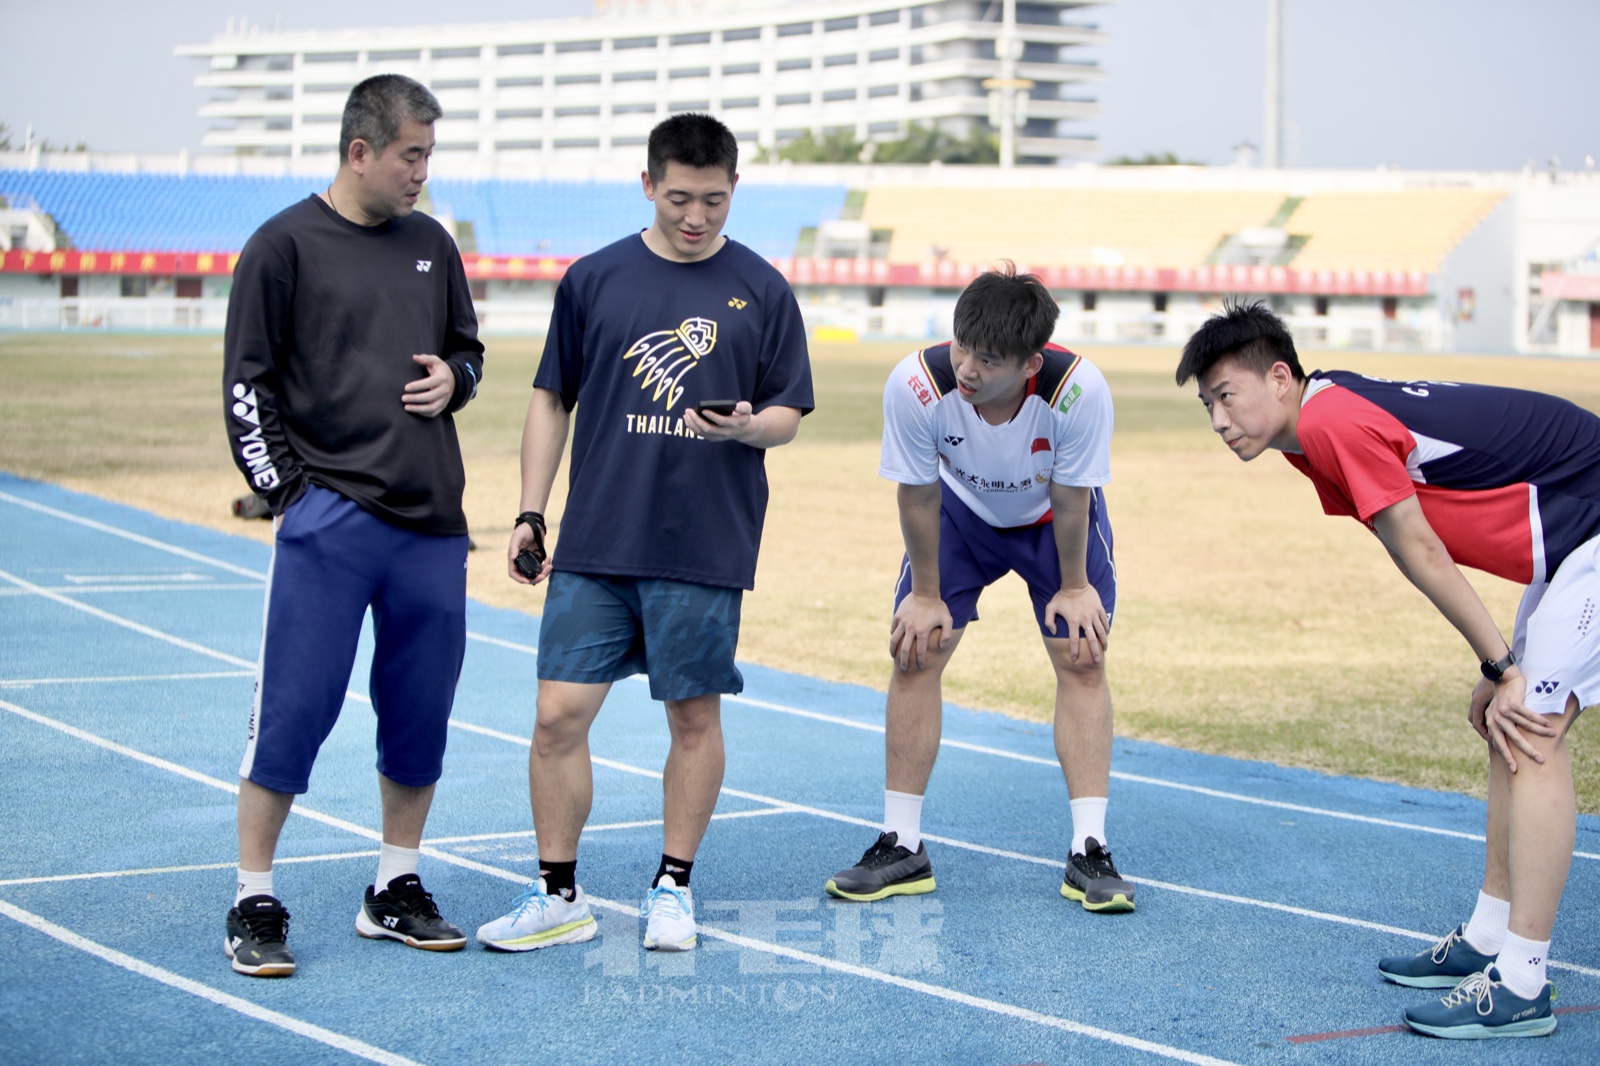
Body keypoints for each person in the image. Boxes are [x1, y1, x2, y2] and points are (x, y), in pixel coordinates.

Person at [1177, 300, 1597, 1039]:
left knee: (1531, 726)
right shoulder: (1319, 423)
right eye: (1207, 404)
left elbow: (1421, 549)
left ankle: (1524, 979)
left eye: (1225, 395)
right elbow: (1421, 542)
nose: (1218, 418)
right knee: (1507, 726)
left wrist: (1502, 664)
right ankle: (1489, 937)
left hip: (1591, 521)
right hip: (1573, 537)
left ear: (1280, 377)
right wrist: (1497, 664)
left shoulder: (1332, 421)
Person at [474, 113, 812, 955]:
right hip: (596, 537)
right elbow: (552, 397)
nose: (695, 218)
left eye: (713, 201)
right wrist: (529, 509)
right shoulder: (594, 279)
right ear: (647, 185)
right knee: (558, 714)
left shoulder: (763, 289)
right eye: (678, 199)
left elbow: (788, 414)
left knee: (693, 718)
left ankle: (673, 886)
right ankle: (558, 894)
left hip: (703, 544)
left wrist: (746, 428)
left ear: (735, 191)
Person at [221, 74, 483, 977]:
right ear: (360, 150)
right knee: (293, 710)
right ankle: (254, 896)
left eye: (429, 155)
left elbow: (468, 351)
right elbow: (246, 386)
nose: (423, 172)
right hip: (329, 519)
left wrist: (457, 380)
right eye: (412, 154)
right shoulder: (281, 245)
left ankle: (394, 886)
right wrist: (289, 494)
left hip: (432, 526)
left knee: (420, 714)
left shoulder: (432, 244)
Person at [824, 265, 1136, 913]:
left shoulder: (1079, 392)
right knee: (917, 648)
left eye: (988, 360)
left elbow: (1075, 498)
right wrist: (928, 594)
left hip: (1052, 522)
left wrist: (1075, 587)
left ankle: (1090, 849)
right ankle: (900, 842)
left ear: (1030, 364)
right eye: (961, 345)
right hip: (959, 514)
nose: (966, 367)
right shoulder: (915, 384)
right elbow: (917, 492)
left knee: (1082, 655)